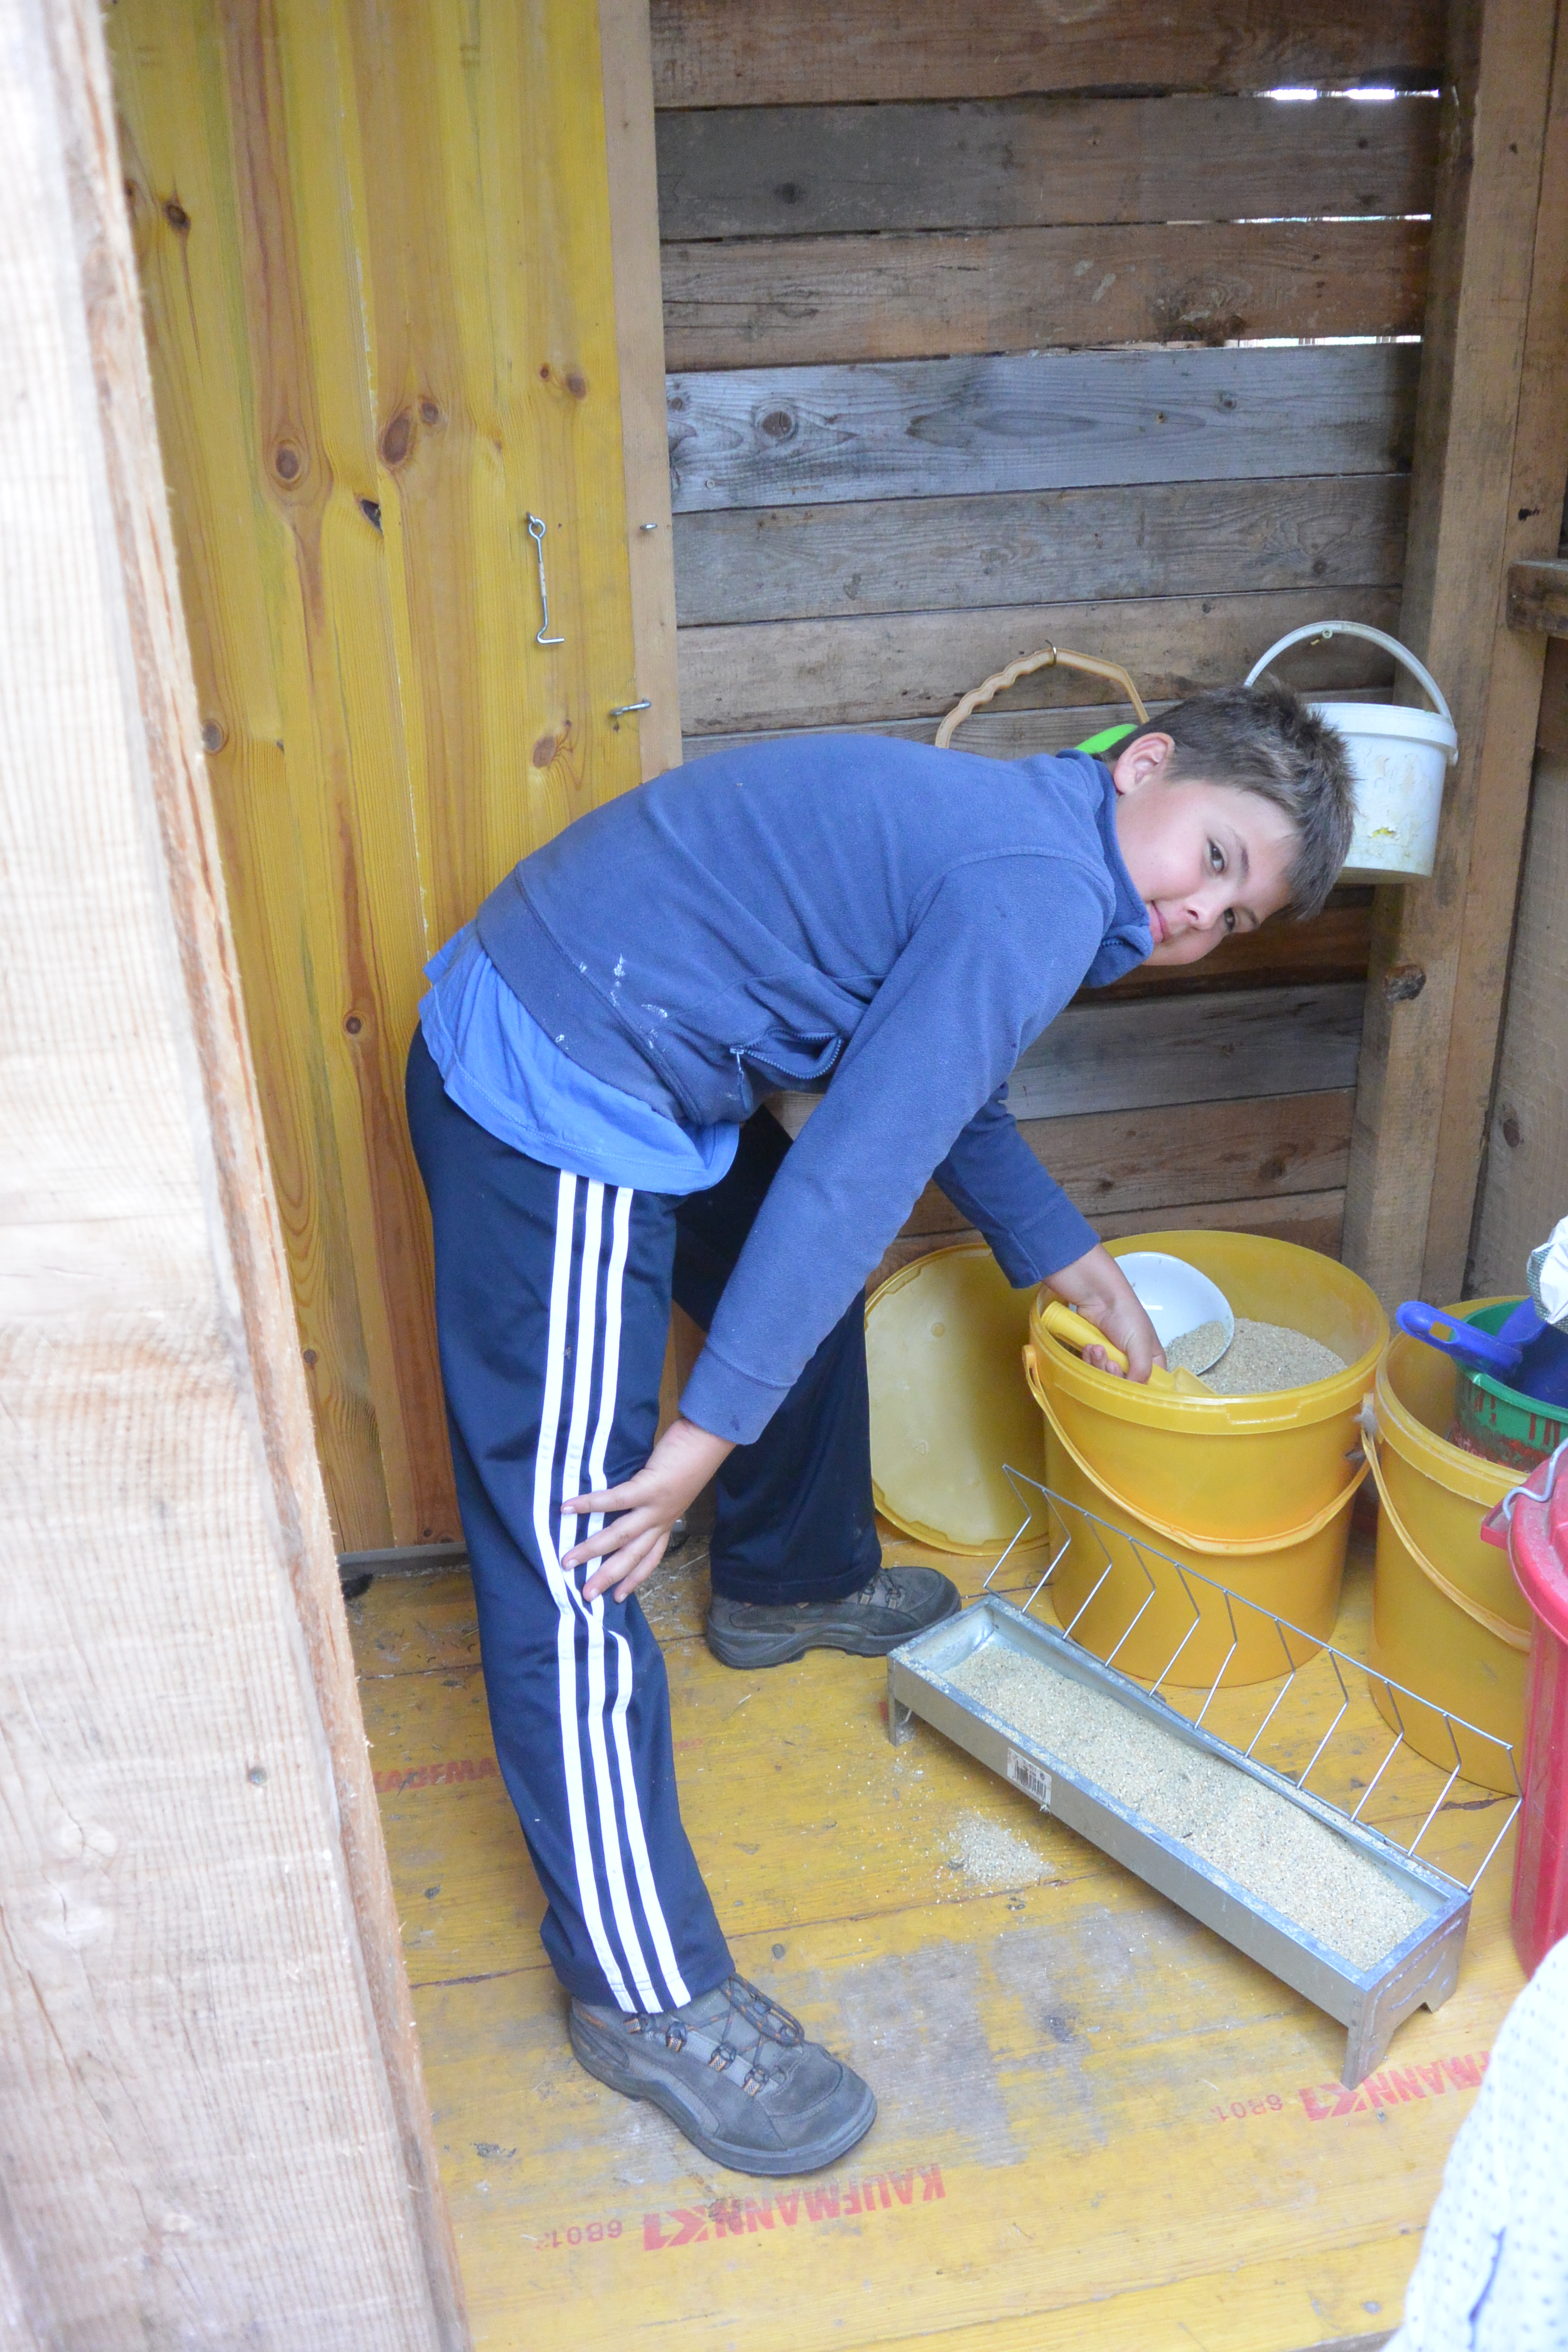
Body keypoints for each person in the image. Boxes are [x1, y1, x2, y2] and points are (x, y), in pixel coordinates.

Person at [405, 682, 1354, 2178]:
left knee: (788, 1294)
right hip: (568, 1065)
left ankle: (788, 1581)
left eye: (1236, 920)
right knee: (584, 1545)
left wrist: (1070, 1258)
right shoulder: (1046, 885)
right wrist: (697, 1443)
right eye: (1216, 860)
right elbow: (854, 1172)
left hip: (615, 1005)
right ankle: (643, 1991)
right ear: (1148, 764)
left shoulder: (1036, 836)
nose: (1196, 917)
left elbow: (933, 1089)